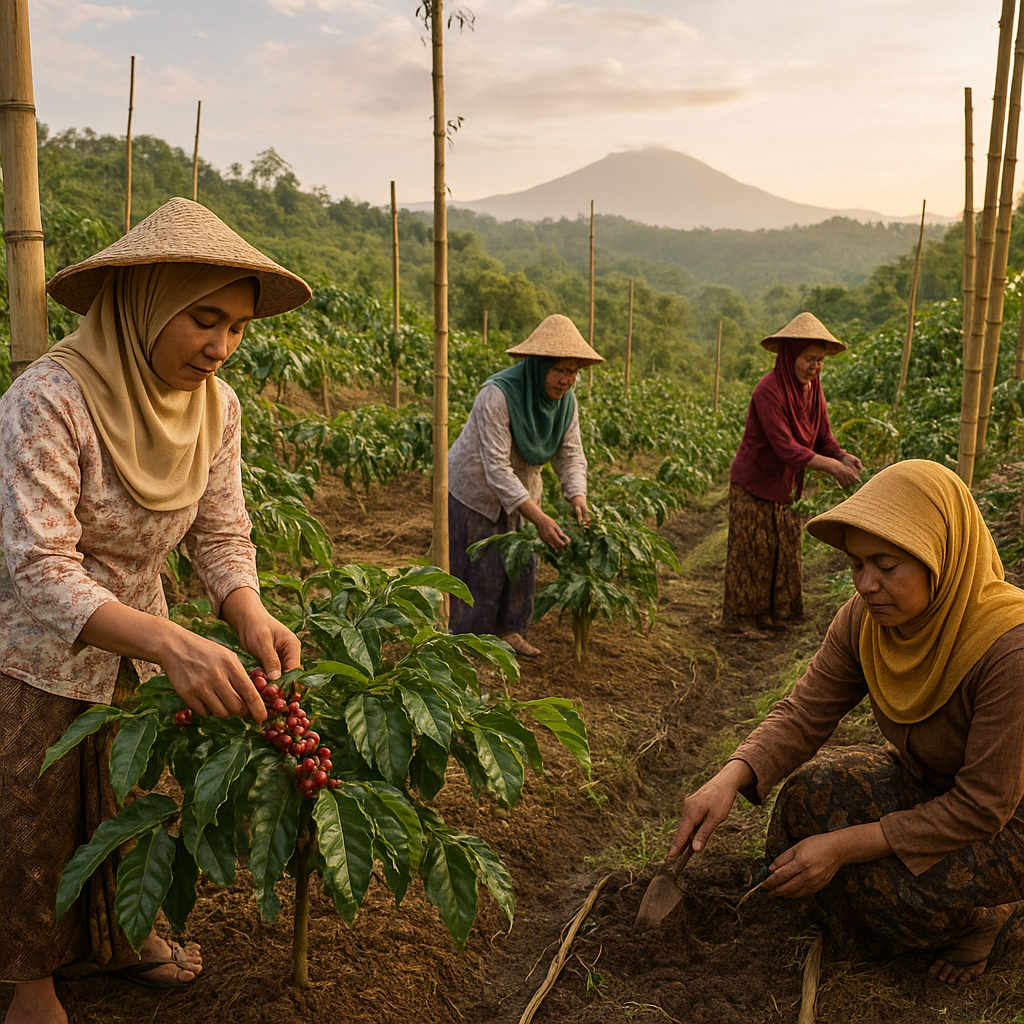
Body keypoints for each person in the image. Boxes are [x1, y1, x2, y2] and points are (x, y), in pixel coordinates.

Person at [0, 198, 313, 1024]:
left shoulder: (218, 408)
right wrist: (168, 641)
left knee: (131, 797)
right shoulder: (49, 400)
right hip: (35, 647)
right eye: (202, 320)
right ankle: (30, 984)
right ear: (143, 308)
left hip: (142, 638)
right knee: (34, 811)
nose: (221, 348)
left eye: (239, 328)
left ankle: (126, 933)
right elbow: (37, 566)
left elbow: (220, 530)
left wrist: (245, 609)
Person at [671, 459, 1024, 986]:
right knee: (805, 799)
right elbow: (803, 714)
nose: (866, 584)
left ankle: (990, 917)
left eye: (886, 565)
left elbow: (982, 807)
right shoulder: (865, 621)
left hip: (1006, 822)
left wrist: (841, 846)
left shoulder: (1008, 650)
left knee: (883, 896)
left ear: (943, 558)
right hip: (929, 786)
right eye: (858, 565)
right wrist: (730, 776)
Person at [448, 314, 603, 658]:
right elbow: (497, 469)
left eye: (573, 371)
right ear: (538, 367)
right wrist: (540, 518)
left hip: (523, 493)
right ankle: (469, 644)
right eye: (559, 370)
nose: (567, 380)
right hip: (476, 492)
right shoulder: (497, 395)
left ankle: (511, 633)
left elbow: (571, 454)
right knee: (481, 570)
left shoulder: (565, 404)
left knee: (521, 567)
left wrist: (577, 494)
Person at [722, 312, 862, 635]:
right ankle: (744, 620)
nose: (815, 367)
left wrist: (841, 455)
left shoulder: (813, 389)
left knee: (782, 550)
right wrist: (831, 467)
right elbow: (785, 448)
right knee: (753, 553)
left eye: (820, 360)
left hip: (786, 487)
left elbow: (822, 435)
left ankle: (774, 615)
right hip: (754, 483)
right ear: (790, 356)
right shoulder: (768, 391)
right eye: (809, 359)